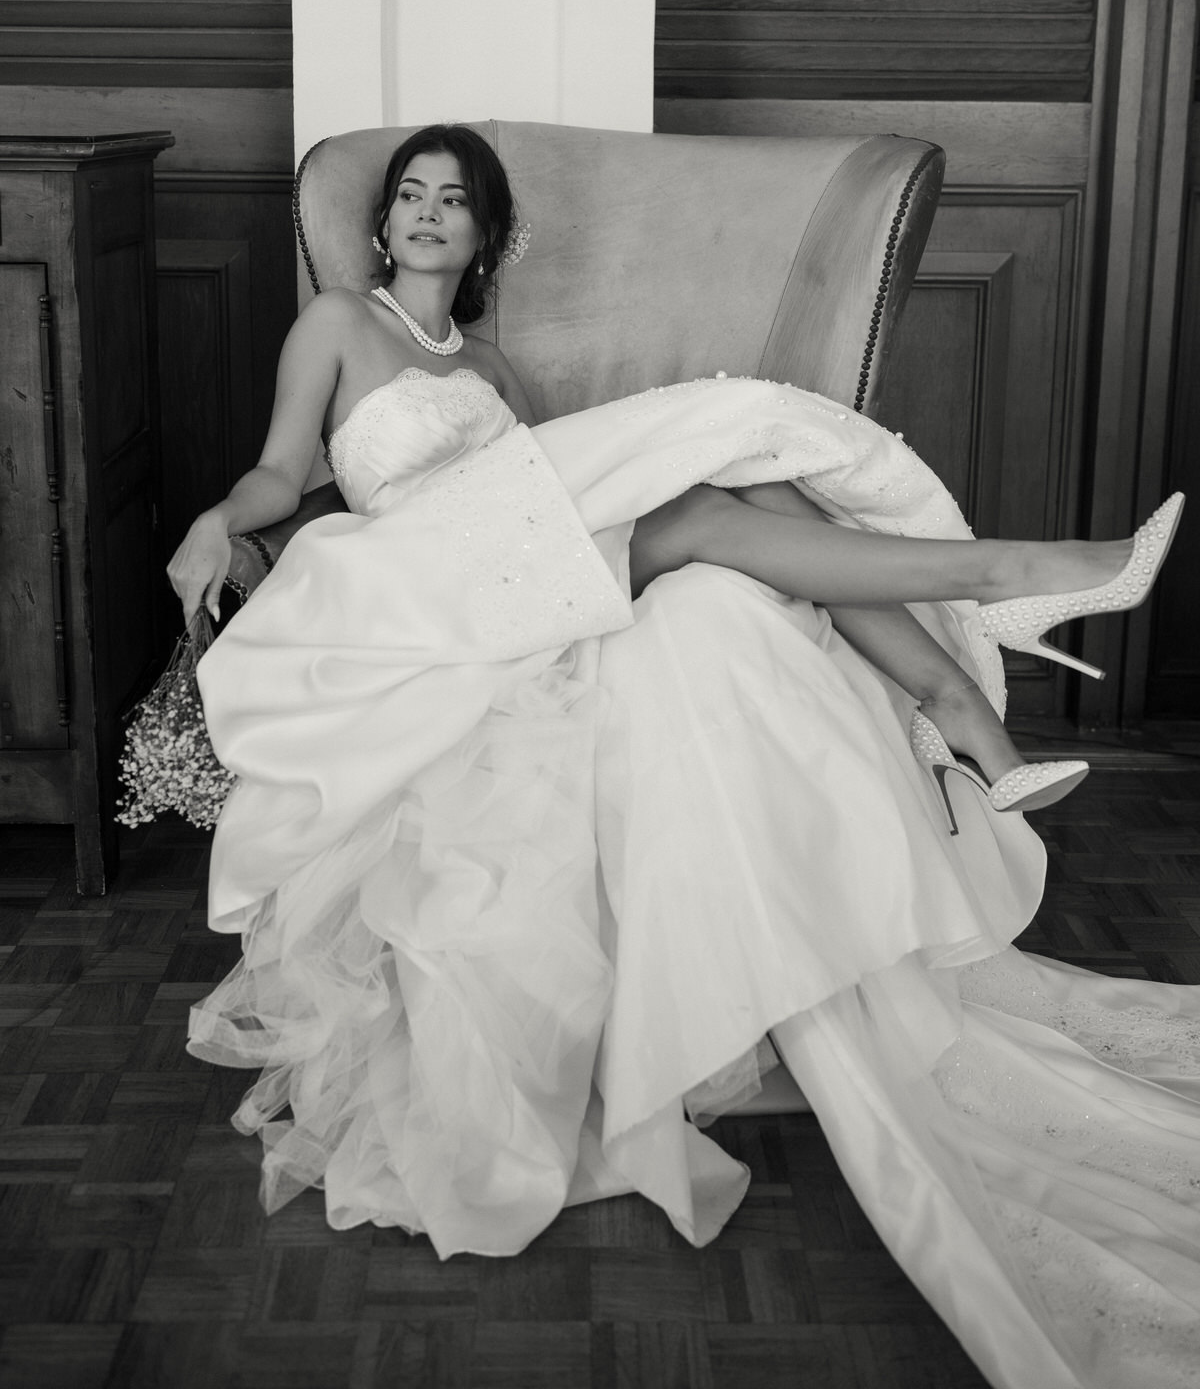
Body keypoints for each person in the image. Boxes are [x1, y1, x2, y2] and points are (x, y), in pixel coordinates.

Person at [174, 125, 1198, 1389]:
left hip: (515, 581)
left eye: (455, 201)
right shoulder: (334, 322)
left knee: (747, 485)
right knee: (727, 457)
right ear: (381, 229)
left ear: (486, 237)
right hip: (413, 584)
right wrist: (219, 520)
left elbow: (557, 508)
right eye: (410, 199)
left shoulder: (492, 368)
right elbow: (286, 471)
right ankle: (1001, 588)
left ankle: (956, 696)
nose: (429, 215)